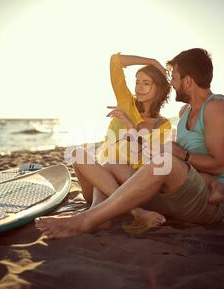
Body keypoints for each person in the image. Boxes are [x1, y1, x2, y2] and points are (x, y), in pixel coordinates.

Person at [36, 48, 224, 239]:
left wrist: (179, 154)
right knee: (113, 163)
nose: (172, 83)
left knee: (162, 162)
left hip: (208, 200)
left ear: (187, 82)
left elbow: (218, 165)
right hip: (180, 192)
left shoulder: (216, 107)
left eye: (175, 77)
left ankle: (86, 220)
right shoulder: (184, 112)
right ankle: (118, 212)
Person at [69, 52, 172, 228]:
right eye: (137, 82)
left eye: (146, 83)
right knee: (77, 153)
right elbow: (115, 62)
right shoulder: (126, 103)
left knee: (113, 164)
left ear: (159, 89)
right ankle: (135, 212)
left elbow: (148, 160)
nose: (139, 88)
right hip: (100, 179)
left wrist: (129, 124)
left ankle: (97, 212)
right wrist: (151, 61)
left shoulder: (163, 124)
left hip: (128, 185)